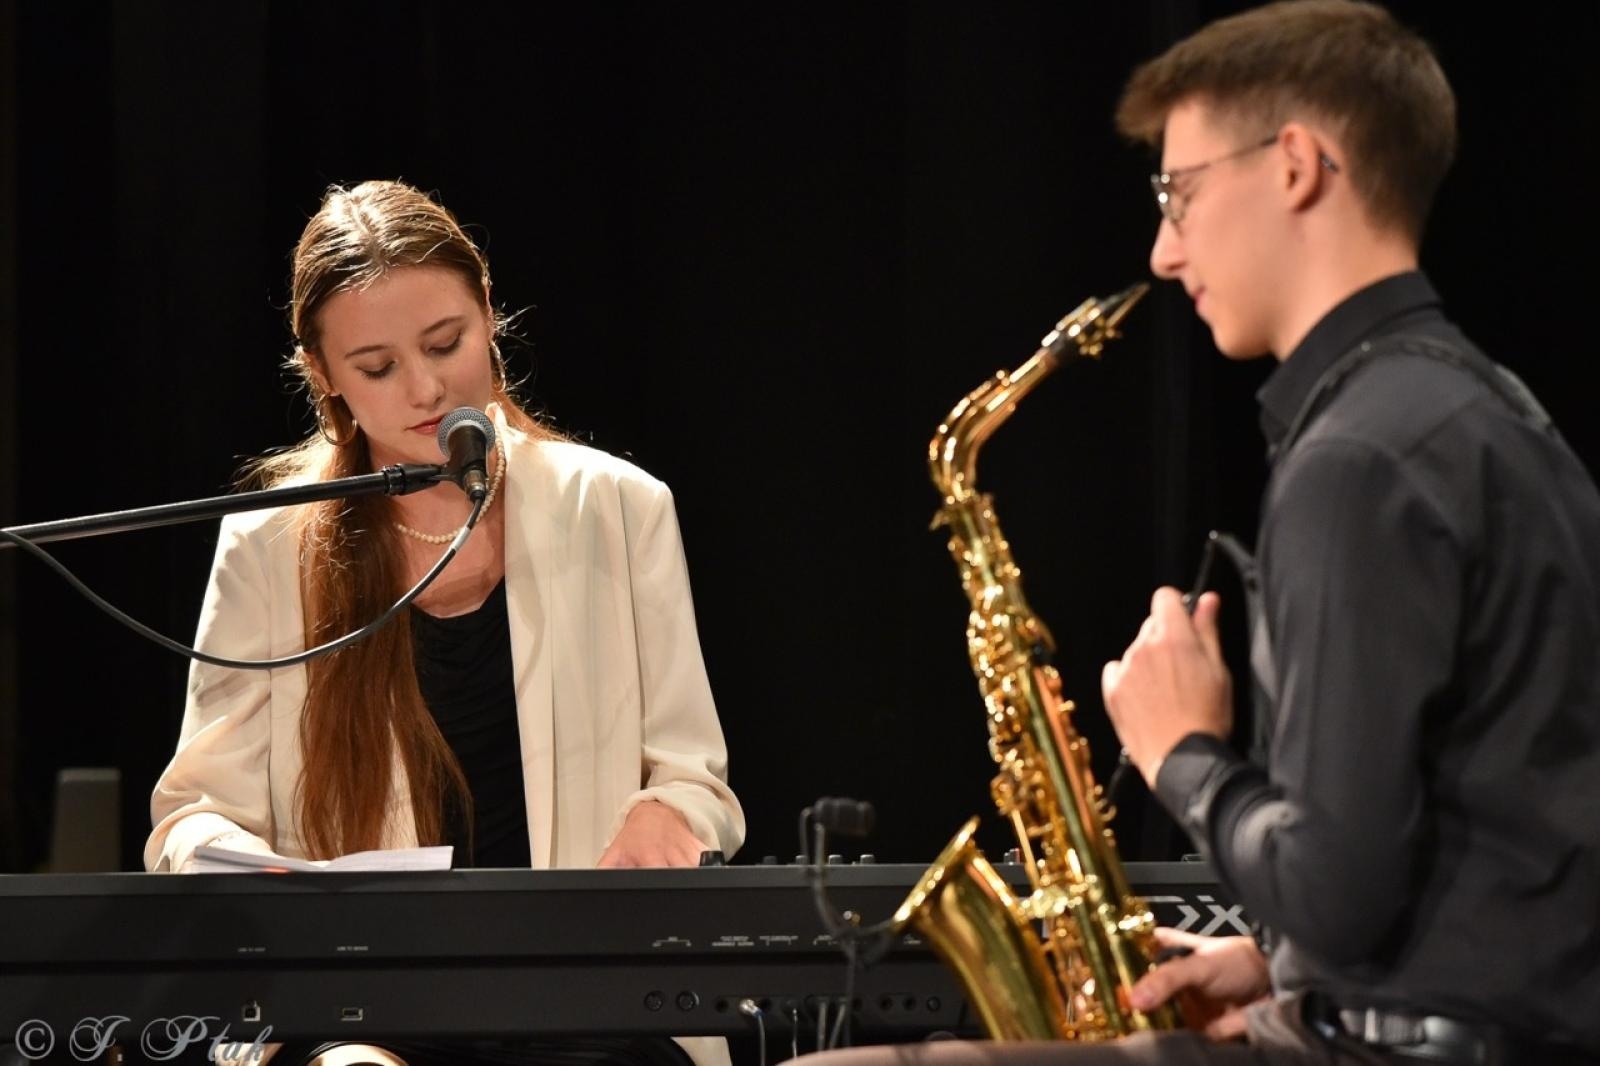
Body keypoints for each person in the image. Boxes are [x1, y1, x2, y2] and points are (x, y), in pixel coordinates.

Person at [795, 2, 1599, 1064]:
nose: (1163, 251)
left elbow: (1338, 892)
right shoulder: (1491, 413)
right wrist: (1277, 967)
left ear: (1298, 166)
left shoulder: (1359, 456)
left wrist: (1180, 750)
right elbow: (1504, 836)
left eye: (1179, 194)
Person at [144, 179, 745, 1066]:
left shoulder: (618, 507)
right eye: (378, 368)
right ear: (326, 378)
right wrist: (248, 868)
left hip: (583, 999)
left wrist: (670, 814)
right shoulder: (269, 546)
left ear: (490, 312)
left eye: (446, 342)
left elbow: (699, 782)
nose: (425, 388)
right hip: (360, 1008)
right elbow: (190, 816)